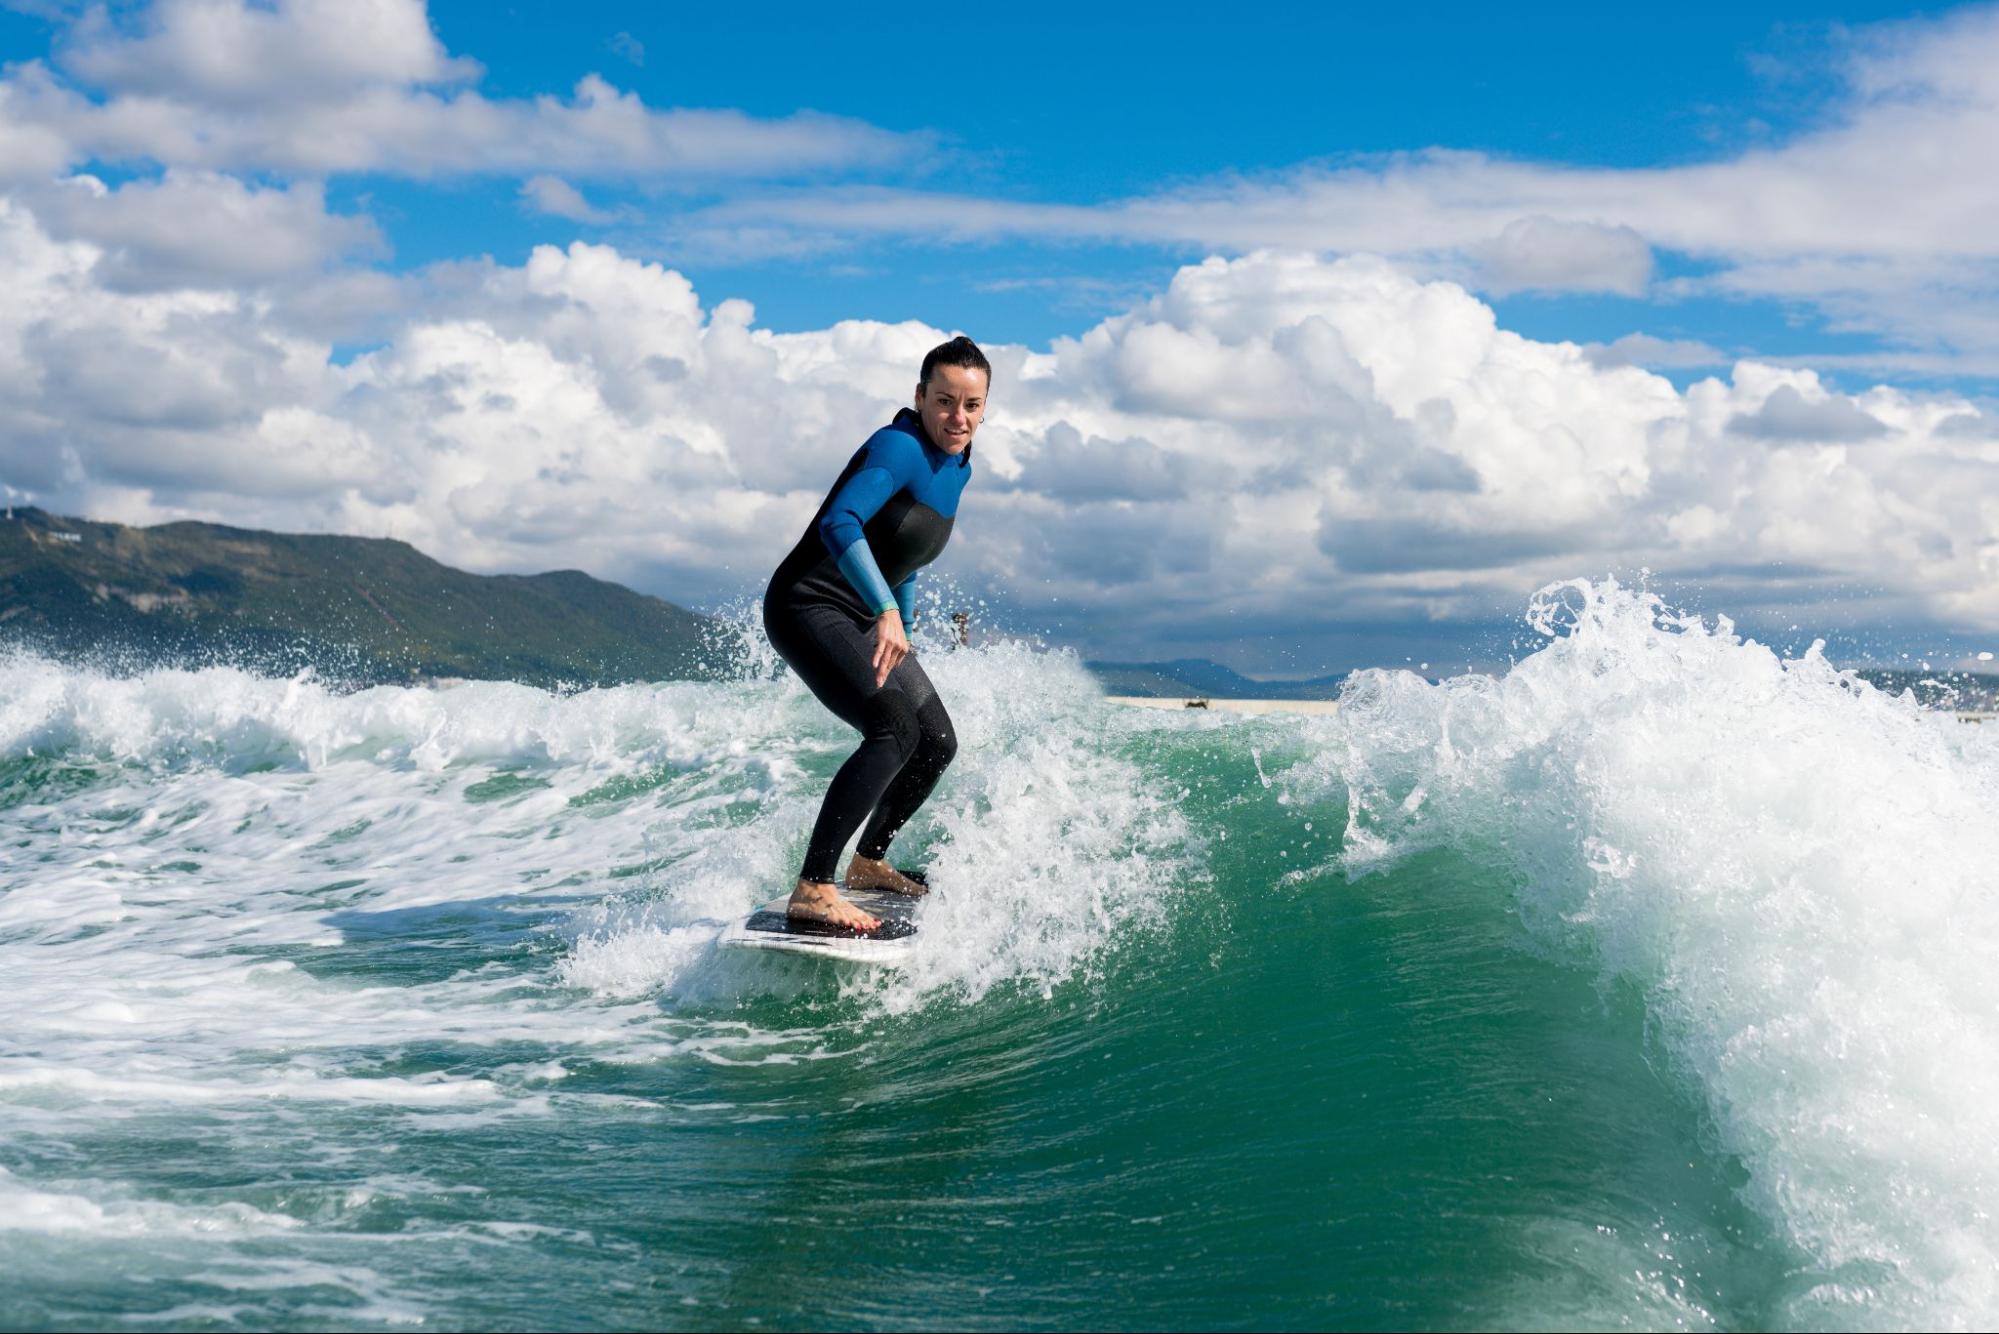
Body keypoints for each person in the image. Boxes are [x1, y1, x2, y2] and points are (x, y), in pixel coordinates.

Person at [762, 336, 988, 930]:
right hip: (808, 604)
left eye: (971, 404)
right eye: (944, 401)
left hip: (864, 611)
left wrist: (901, 621)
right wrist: (885, 610)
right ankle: (814, 886)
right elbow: (842, 520)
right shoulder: (899, 446)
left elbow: (902, 554)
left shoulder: (958, 467)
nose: (957, 417)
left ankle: (869, 863)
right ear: (919, 396)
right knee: (893, 728)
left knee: (935, 740)